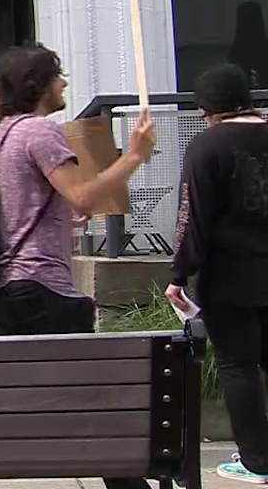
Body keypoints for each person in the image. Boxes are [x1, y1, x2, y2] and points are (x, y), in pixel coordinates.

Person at [0, 44, 154, 489]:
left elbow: (23, 209)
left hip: (4, 290)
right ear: (37, 84)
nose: (64, 83)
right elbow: (83, 197)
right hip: (44, 291)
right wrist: (133, 156)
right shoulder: (41, 132)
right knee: (98, 408)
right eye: (57, 76)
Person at [166, 64, 268, 484]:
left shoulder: (207, 146)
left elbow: (193, 217)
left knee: (238, 366)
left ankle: (257, 461)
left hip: (229, 277)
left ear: (208, 108)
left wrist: (180, 273)